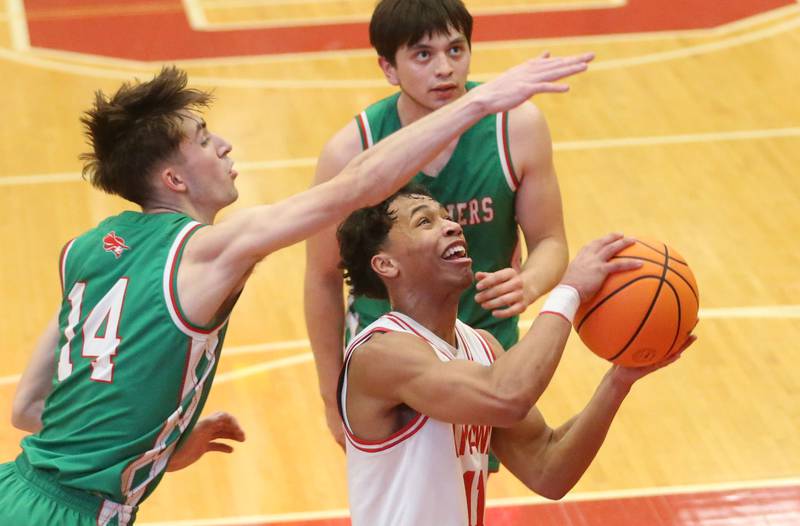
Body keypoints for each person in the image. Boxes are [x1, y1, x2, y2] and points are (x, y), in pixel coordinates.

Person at [2, 55, 593, 525]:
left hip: (18, 490)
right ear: (174, 179)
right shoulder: (206, 251)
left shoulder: (83, 251)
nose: (224, 146)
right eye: (205, 139)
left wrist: (159, 446)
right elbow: (355, 185)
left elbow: (29, 409)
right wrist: (480, 102)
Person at [305, 0, 574, 460]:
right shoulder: (353, 150)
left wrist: (529, 282)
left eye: (455, 49)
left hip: (484, 341)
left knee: (475, 483)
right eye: (423, 55)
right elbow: (323, 276)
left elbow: (550, 241)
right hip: (393, 353)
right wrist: (332, 396)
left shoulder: (517, 127)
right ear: (388, 68)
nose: (445, 69)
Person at [336, 185, 695, 525]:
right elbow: (506, 396)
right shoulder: (381, 353)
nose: (451, 226)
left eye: (446, 216)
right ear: (386, 265)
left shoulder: (481, 347)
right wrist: (568, 291)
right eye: (425, 221)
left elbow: (547, 468)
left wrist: (619, 380)